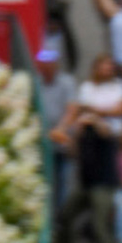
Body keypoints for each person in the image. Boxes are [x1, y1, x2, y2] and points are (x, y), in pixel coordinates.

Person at [52, 100, 120, 243]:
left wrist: (94, 120)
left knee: (98, 225)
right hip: (86, 184)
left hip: (104, 184)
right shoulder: (80, 133)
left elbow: (107, 133)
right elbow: (72, 154)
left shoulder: (102, 128)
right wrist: (73, 133)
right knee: (65, 215)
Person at [35, 46, 78, 207]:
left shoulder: (67, 82)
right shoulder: (36, 83)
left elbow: (72, 109)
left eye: (50, 64)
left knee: (64, 184)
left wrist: (61, 129)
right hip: (44, 142)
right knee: (45, 184)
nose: (47, 68)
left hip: (62, 142)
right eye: (44, 65)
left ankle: (62, 223)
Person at [75, 53, 122, 135]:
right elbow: (85, 109)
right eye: (105, 65)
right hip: (93, 133)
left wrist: (97, 111)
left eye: (110, 66)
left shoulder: (119, 85)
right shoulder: (86, 87)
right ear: (97, 68)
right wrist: (109, 111)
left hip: (116, 131)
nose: (108, 68)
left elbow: (121, 110)